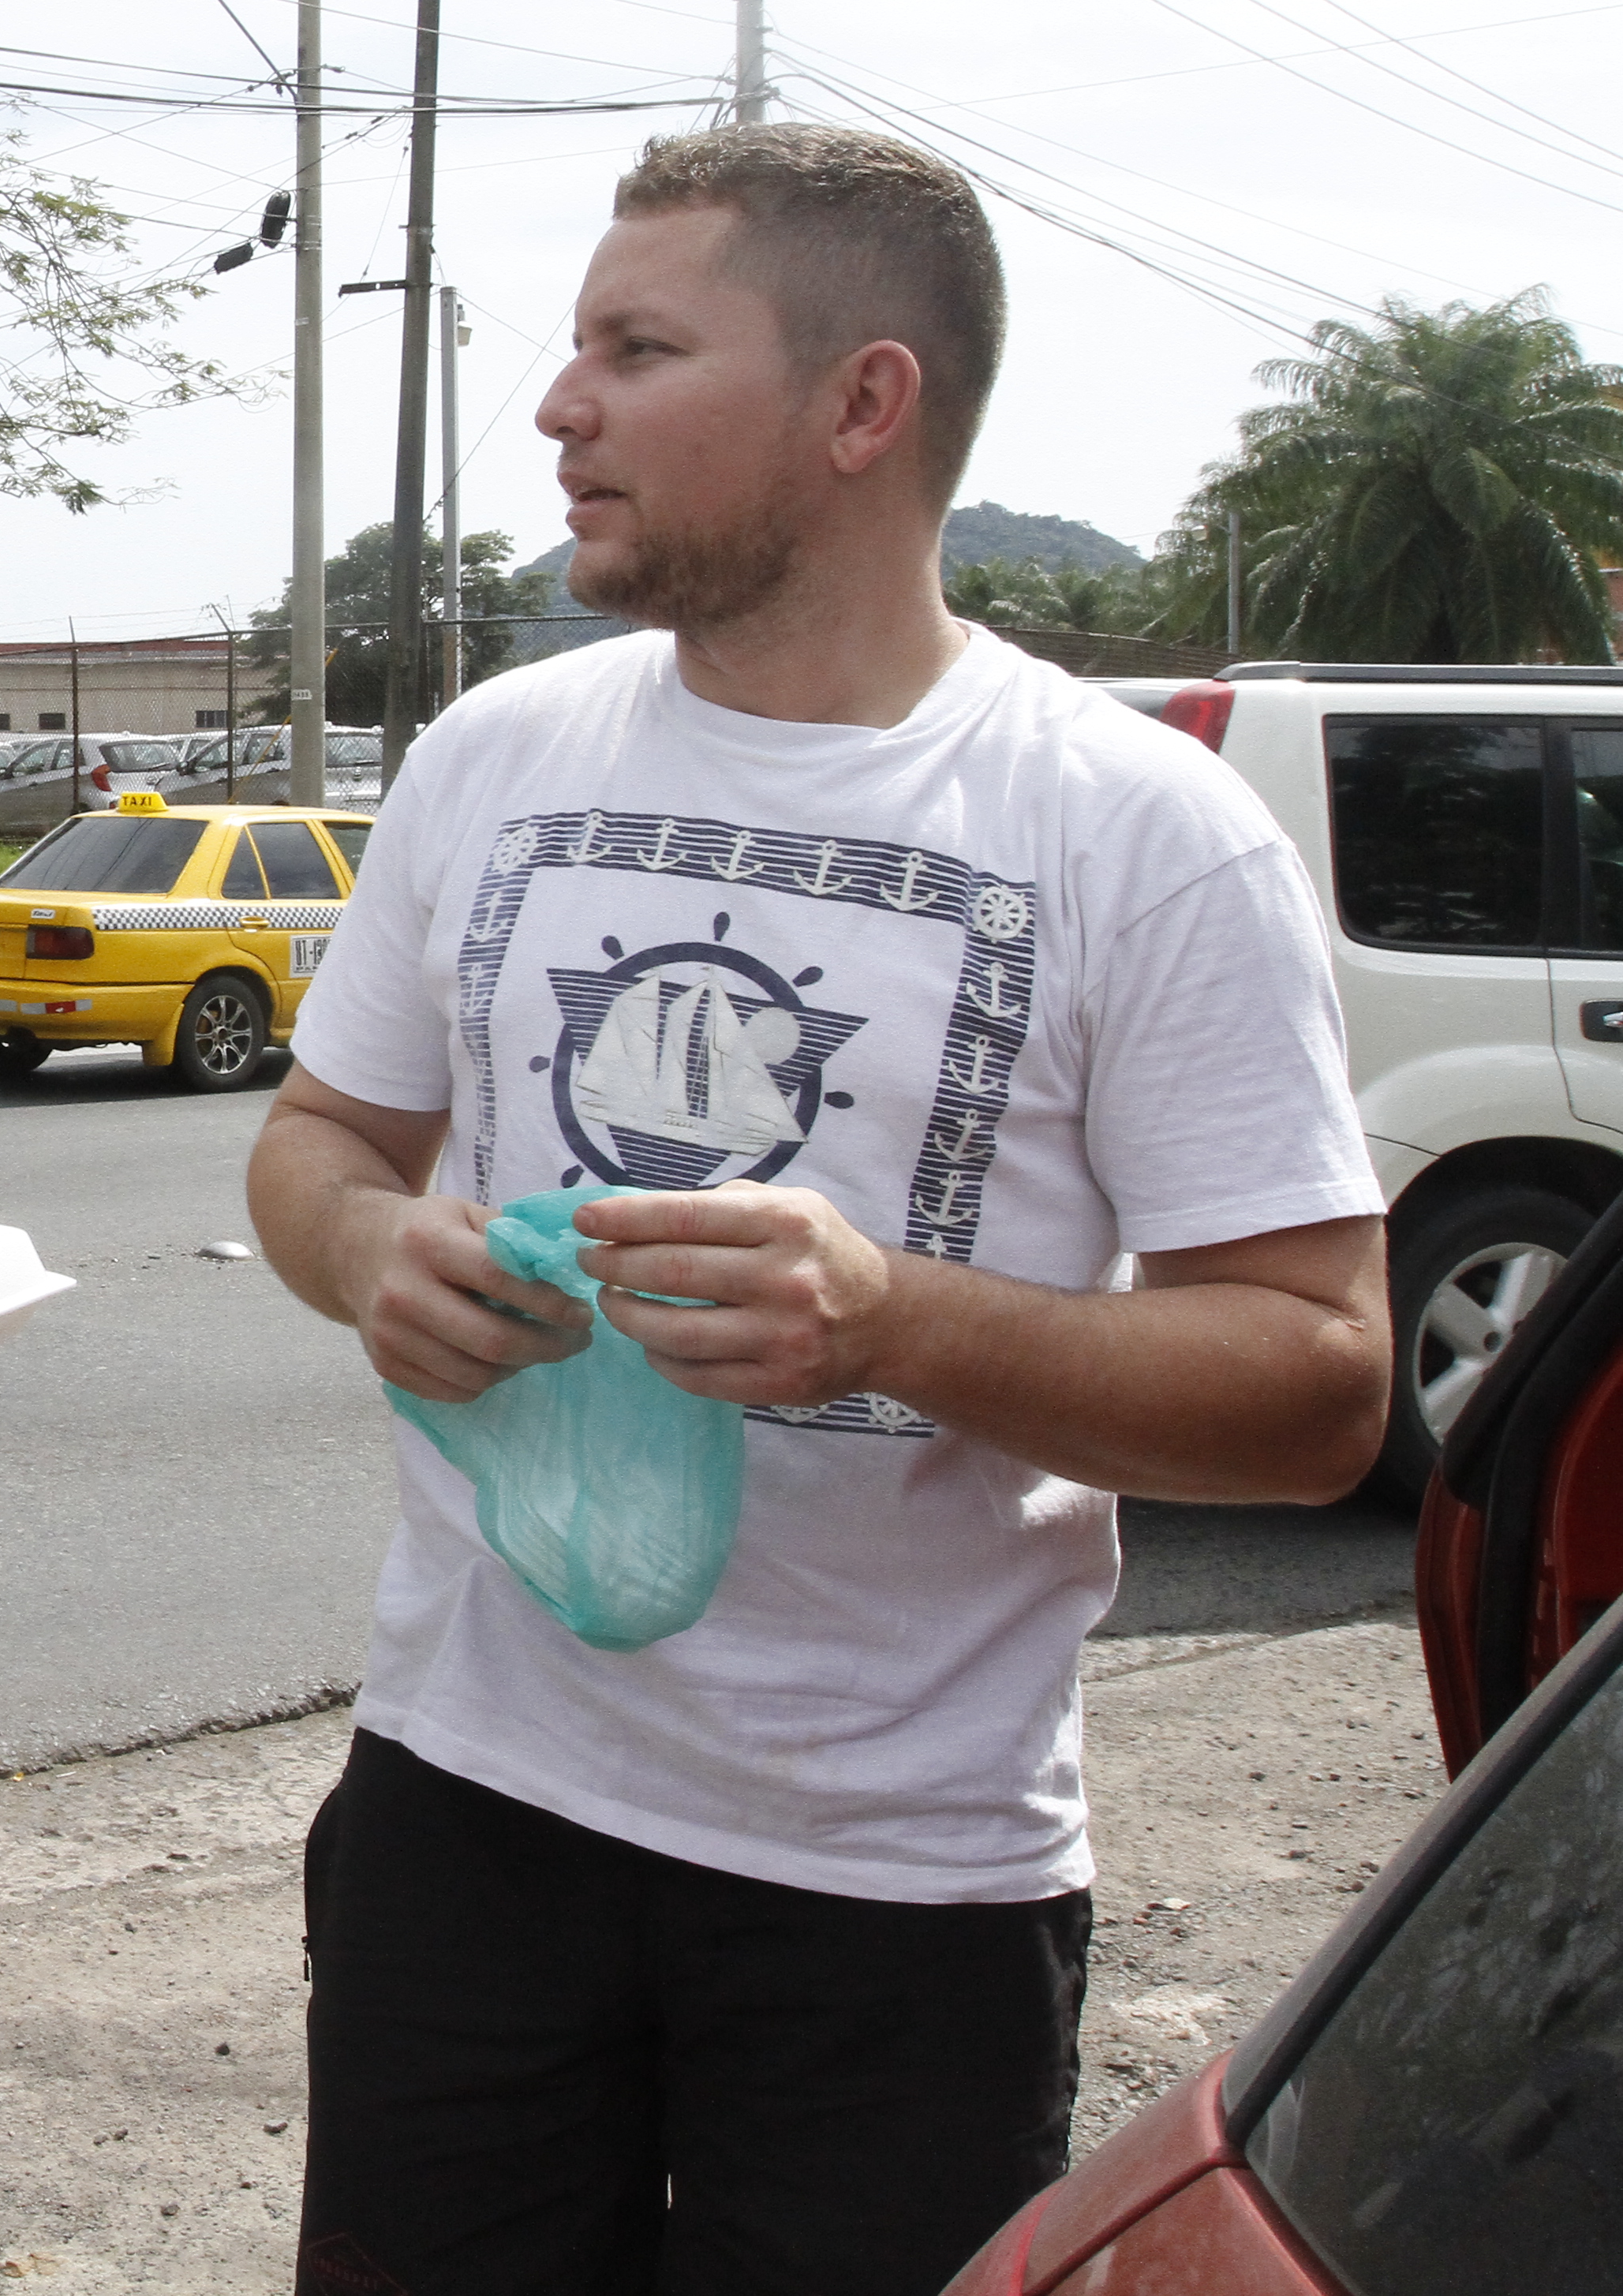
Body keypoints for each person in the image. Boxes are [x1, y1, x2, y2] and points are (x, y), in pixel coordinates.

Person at [244, 124, 1387, 2296]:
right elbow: (316, 1144)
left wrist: (892, 1325)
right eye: (575, 345)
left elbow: (1322, 1386)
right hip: (465, 1806)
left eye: (637, 347)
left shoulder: (1140, 830)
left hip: (895, 1890)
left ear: (864, 406)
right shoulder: (495, 754)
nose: (560, 404)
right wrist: (375, 1253)